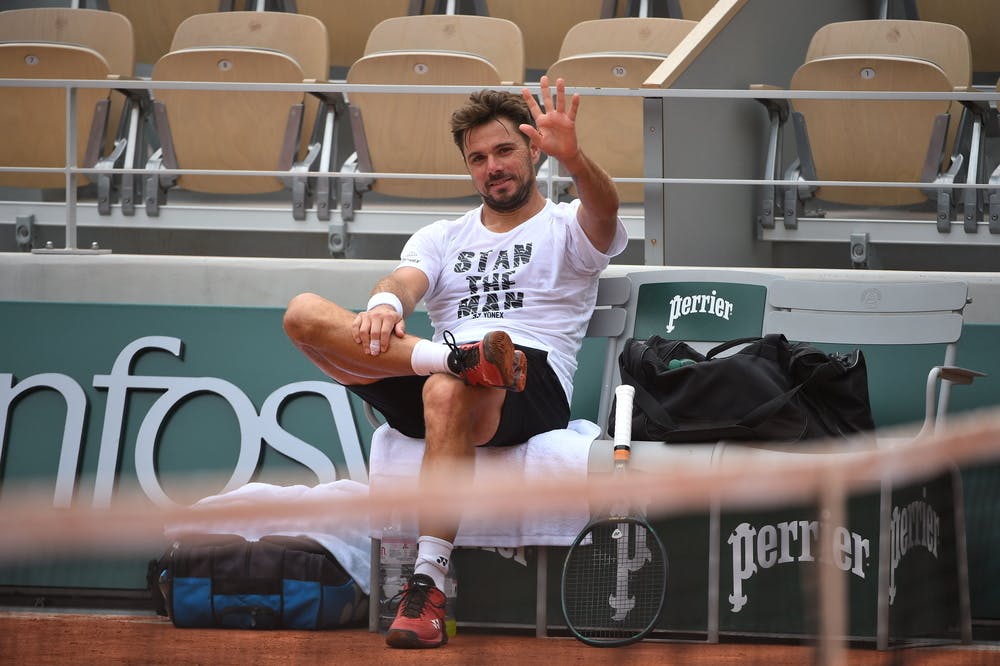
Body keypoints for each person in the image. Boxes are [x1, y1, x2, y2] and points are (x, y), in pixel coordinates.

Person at [282, 76, 627, 649]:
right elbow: (404, 280)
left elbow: (606, 208)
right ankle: (453, 358)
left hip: (528, 375)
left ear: (534, 150)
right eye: (478, 158)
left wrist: (576, 157)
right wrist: (386, 306)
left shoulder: (567, 225)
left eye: (504, 151)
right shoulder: (443, 235)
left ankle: (427, 584)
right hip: (437, 367)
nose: (492, 166)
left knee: (446, 391)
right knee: (302, 315)